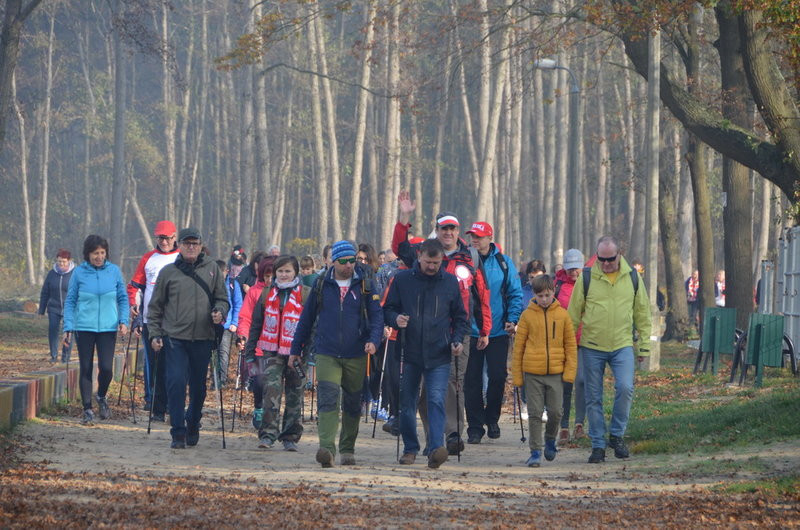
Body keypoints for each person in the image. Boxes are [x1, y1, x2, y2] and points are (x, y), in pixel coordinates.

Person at [392, 190, 492, 455]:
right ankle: (433, 438)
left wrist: (484, 328)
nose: (448, 232)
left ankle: (452, 436)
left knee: (451, 385)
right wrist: (404, 218)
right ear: (435, 230)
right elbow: (399, 249)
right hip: (421, 336)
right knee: (425, 394)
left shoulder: (469, 257)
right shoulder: (422, 253)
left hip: (458, 332)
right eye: (444, 228)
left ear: (459, 231)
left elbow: (481, 294)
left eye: (453, 228)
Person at [290, 240, 383, 468]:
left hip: (357, 352)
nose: (349, 265)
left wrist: (373, 340)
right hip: (327, 352)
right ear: (333, 261)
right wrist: (296, 350)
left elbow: (377, 315)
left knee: (352, 403)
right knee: (328, 399)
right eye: (344, 261)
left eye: (352, 260)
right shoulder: (322, 283)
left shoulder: (365, 283)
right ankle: (327, 450)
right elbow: (306, 319)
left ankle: (347, 448)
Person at [384, 239, 469, 469]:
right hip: (409, 351)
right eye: (428, 262)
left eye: (437, 262)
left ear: (443, 259)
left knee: (436, 400)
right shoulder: (402, 279)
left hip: (439, 353)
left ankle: (435, 449)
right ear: (419, 256)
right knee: (408, 403)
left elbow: (461, 318)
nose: (432, 267)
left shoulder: (450, 282)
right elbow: (388, 309)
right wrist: (396, 319)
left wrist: (457, 340)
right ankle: (410, 448)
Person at [567, 236, 651, 463]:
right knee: (593, 397)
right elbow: (573, 315)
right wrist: (565, 347)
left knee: (625, 388)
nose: (605, 264)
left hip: (622, 344)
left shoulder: (632, 277)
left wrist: (644, 346)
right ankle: (597, 445)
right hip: (591, 346)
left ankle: (616, 435)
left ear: (619, 254)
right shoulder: (587, 276)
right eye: (601, 259)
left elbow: (642, 313)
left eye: (610, 259)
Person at [147, 228, 229, 449]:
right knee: (175, 382)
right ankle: (178, 432)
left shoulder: (212, 269)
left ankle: (193, 422)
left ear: (201, 245)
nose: (191, 247)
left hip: (203, 337)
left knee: (198, 388)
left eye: (195, 243)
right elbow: (155, 308)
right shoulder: (168, 272)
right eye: (187, 243)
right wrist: (154, 333)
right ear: (179, 245)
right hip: (174, 338)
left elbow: (222, 299)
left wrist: (220, 312)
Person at [463, 221, 523, 443]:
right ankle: (475, 426)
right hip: (470, 330)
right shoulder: (465, 261)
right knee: (472, 380)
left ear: (490, 238)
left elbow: (515, 294)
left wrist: (512, 319)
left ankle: (493, 418)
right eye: (472, 236)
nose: (474, 240)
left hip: (497, 330)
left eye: (478, 236)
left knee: (498, 377)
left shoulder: (504, 263)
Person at [63, 235, 129, 424]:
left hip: (108, 327)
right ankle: (87, 409)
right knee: (85, 367)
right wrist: (67, 326)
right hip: (83, 326)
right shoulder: (79, 273)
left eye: (102, 253)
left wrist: (123, 321)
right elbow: (70, 301)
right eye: (95, 254)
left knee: (106, 369)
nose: (99, 257)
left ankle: (101, 396)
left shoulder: (114, 271)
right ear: (88, 254)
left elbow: (123, 299)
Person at [512, 274, 577, 467]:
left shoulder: (563, 315)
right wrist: (517, 375)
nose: (544, 299)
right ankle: (535, 451)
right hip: (532, 372)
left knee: (556, 412)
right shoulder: (527, 316)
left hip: (556, 373)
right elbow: (519, 347)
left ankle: (550, 438)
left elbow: (570, 346)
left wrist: (569, 373)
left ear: (553, 293)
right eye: (540, 296)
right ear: (534, 295)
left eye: (547, 295)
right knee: (534, 413)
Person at [246, 255, 307, 451]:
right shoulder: (266, 294)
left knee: (294, 393)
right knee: (271, 390)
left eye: (287, 271)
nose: (283, 275)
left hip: (298, 353)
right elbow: (256, 324)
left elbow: (313, 325)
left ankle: (290, 436)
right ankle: (268, 435)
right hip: (271, 350)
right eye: (280, 271)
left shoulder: (306, 294)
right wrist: (250, 351)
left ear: (295, 273)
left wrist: (311, 353)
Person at [127, 220, 180, 418]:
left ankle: (172, 405)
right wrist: (135, 309)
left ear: (174, 237)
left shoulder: (181, 258)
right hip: (151, 321)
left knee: (175, 365)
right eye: (160, 237)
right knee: (155, 363)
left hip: (176, 322)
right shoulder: (148, 258)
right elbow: (135, 286)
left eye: (167, 238)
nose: (164, 241)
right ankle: (157, 407)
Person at [236, 255, 276, 429]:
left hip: (278, 345)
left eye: (272, 275)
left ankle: (272, 412)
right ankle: (258, 407)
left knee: (273, 382)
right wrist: (242, 336)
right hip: (257, 345)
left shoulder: (285, 292)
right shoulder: (254, 291)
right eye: (266, 276)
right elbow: (245, 317)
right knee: (259, 381)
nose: (269, 279)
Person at [554, 248, 586, 445]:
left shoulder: (590, 283)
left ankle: (580, 424)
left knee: (582, 382)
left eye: (577, 268)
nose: (574, 272)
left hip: (585, 342)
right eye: (570, 268)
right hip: (563, 342)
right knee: (565, 384)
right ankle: (564, 426)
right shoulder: (557, 285)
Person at [39, 249, 75, 363]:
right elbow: (45, 292)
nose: (61, 264)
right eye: (59, 261)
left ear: (69, 261)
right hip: (54, 307)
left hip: (70, 308)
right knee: (53, 330)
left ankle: (65, 357)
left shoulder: (75, 274)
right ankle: (53, 356)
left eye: (64, 261)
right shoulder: (52, 274)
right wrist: (41, 309)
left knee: (68, 331)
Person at [213, 260, 243, 389]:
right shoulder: (210, 285)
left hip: (227, 326)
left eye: (223, 272)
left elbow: (238, 304)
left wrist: (235, 323)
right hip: (212, 325)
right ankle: (213, 378)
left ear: (227, 272)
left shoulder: (233, 285)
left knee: (223, 353)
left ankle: (222, 380)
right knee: (213, 352)